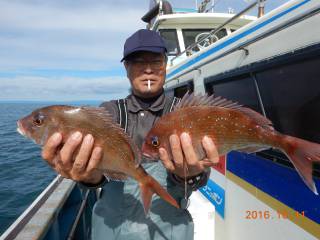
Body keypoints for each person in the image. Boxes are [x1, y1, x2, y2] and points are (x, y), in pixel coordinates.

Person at [41, 29, 219, 240]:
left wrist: (188, 174)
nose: (148, 69)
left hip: (169, 229)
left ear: (165, 65)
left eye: (156, 61)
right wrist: (89, 176)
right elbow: (99, 178)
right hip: (112, 229)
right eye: (138, 62)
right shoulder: (109, 113)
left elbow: (200, 179)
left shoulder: (184, 113)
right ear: (127, 68)